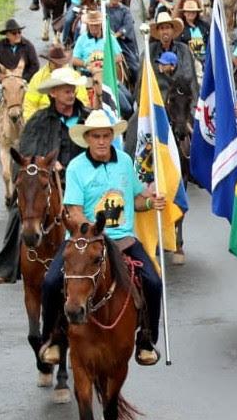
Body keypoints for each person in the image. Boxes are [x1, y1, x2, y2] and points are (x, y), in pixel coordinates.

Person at [37, 110, 167, 366]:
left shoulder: (125, 162)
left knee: (153, 281)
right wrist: (92, 230)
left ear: (112, 137)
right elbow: (73, 211)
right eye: (96, 136)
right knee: (51, 282)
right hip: (84, 241)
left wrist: (152, 202)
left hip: (123, 239)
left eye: (106, 135)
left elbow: (137, 199)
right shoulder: (76, 167)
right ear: (87, 138)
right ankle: (53, 339)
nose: (101, 141)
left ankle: (146, 340)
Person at [0, 68, 90, 284]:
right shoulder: (38, 121)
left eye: (72, 89)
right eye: (65, 90)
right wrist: (47, 163)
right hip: (46, 180)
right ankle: (7, 267)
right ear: (53, 93)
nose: (70, 94)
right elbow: (26, 152)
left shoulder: (87, 118)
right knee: (19, 211)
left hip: (83, 180)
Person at [0, 19, 40, 151]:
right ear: (7, 35)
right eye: (14, 33)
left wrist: (22, 79)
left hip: (23, 84)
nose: (18, 35)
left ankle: (38, 137)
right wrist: (1, 76)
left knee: (37, 106)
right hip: (5, 85)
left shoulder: (27, 46)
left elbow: (35, 66)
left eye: (19, 32)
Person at [137, 13, 197, 101]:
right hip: (156, 101)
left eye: (167, 27)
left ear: (173, 30)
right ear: (158, 32)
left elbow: (191, 80)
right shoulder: (149, 51)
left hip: (180, 102)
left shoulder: (184, 50)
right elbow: (141, 82)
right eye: (162, 28)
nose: (165, 31)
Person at [23, 45, 89, 121]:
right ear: (50, 61)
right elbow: (29, 104)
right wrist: (33, 124)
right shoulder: (38, 77)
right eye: (56, 63)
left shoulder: (74, 76)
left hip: (70, 118)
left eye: (61, 62)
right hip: (43, 120)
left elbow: (83, 102)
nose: (59, 65)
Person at [106, 0, 140, 80]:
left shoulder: (125, 10)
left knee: (135, 68)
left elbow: (128, 25)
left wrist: (116, 35)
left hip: (121, 42)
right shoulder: (103, 8)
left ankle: (137, 88)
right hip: (105, 40)